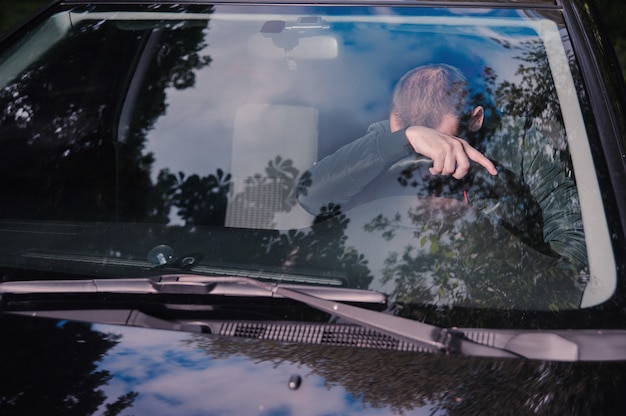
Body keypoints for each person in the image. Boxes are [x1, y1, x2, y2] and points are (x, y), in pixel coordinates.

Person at [297, 63, 587, 267]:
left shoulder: (517, 142)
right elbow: (310, 195)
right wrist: (403, 142)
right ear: (394, 121)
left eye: (446, 141)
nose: (434, 157)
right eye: (423, 143)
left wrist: (539, 289)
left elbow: (574, 234)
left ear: (476, 120)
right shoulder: (381, 144)